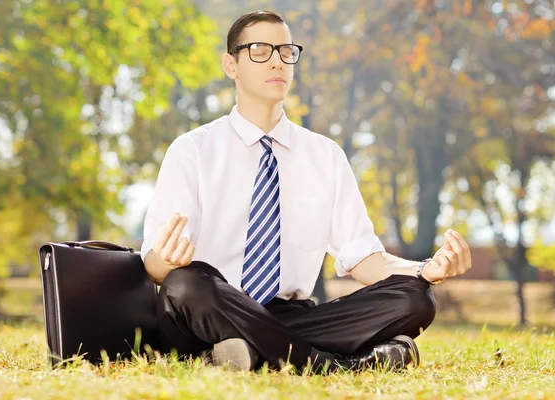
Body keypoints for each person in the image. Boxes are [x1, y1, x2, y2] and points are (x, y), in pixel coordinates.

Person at [140, 10, 472, 373]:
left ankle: (241, 354)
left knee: (415, 297)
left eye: (286, 51)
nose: (277, 61)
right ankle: (336, 366)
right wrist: (165, 263)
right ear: (230, 65)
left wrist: (426, 268)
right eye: (260, 50)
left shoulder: (324, 155)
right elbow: (155, 267)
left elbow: (362, 257)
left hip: (288, 312)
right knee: (187, 283)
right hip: (207, 308)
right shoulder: (193, 149)